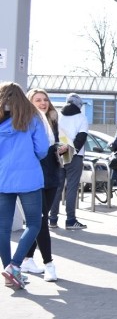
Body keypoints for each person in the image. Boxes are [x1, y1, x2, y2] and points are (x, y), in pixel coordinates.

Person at [0, 82, 50, 289]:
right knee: (34, 223)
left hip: (2, 178)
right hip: (29, 178)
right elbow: (42, 149)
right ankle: (14, 266)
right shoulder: (33, 117)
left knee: (2, 228)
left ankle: (8, 272)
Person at [21, 88, 64, 282]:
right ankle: (49, 265)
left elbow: (54, 145)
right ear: (29, 102)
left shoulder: (53, 121)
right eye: (37, 100)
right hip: (34, 176)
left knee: (39, 219)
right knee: (40, 220)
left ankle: (27, 259)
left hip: (52, 174)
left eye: (45, 100)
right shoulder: (26, 122)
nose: (43, 103)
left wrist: (62, 148)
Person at [49, 93, 89, 230]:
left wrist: (62, 151)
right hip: (75, 155)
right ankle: (70, 220)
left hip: (58, 153)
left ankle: (52, 219)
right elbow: (81, 138)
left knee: (57, 188)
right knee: (71, 187)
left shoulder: (58, 116)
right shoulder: (81, 118)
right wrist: (70, 152)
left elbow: (53, 136)